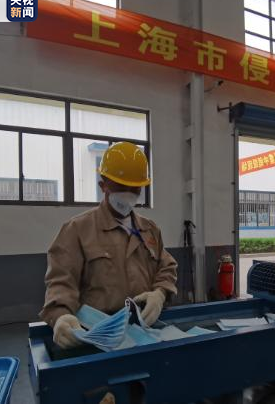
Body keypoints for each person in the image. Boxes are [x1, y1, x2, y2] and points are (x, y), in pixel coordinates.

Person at [40, 142, 178, 349]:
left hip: (145, 332)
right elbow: (61, 281)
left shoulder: (149, 229)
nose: (128, 193)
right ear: (103, 185)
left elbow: (166, 266)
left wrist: (159, 293)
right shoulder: (77, 230)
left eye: (135, 188)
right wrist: (61, 315)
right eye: (121, 186)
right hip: (97, 337)